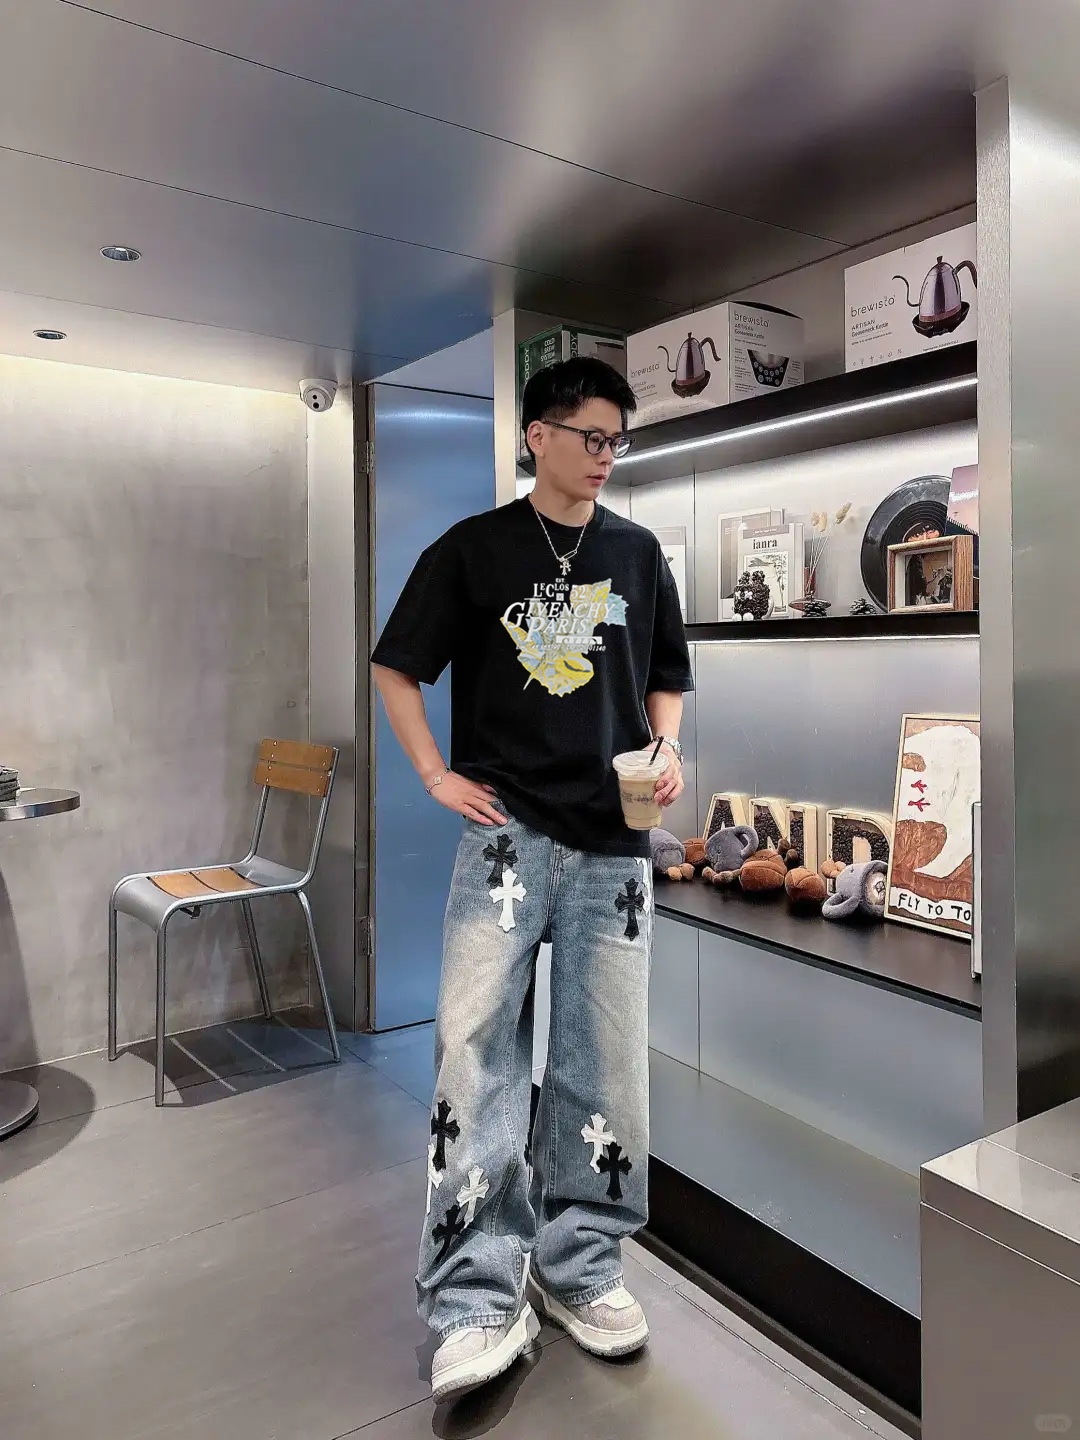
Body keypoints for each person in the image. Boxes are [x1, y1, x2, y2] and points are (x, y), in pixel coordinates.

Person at [371, 356, 693, 1404]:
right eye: (590, 436)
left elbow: (667, 675)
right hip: (505, 836)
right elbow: (396, 665)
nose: (606, 457)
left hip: (614, 846)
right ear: (536, 436)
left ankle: (580, 1266)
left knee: (607, 1066)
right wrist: (434, 774)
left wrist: (666, 749)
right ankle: (474, 1295)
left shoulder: (638, 554)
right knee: (474, 1057)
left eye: (617, 441)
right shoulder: (474, 549)